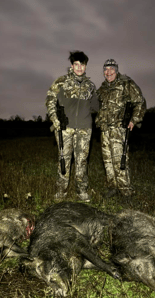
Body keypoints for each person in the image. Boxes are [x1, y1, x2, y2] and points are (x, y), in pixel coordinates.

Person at [46, 51, 98, 202]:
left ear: (85, 66)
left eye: (82, 65)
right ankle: (61, 191)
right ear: (72, 65)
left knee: (82, 160)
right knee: (64, 159)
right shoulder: (61, 82)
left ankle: (81, 191)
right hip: (65, 128)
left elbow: (95, 106)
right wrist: (55, 120)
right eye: (76, 64)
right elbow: (50, 100)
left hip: (84, 128)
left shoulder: (90, 86)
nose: (79, 68)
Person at [95, 59, 146, 198]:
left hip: (119, 129)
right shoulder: (102, 89)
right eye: (106, 69)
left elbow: (140, 102)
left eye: (111, 69)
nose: (108, 72)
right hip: (105, 130)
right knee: (107, 161)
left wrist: (134, 120)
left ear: (116, 70)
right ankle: (112, 187)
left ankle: (126, 191)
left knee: (120, 160)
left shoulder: (126, 83)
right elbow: (93, 106)